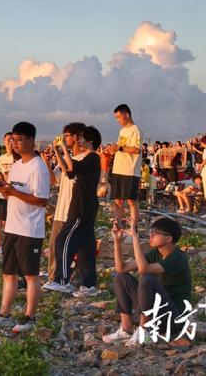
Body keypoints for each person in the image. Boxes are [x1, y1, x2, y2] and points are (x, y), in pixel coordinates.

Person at [0, 121, 50, 333]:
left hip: (30, 229)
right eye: (13, 140)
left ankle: (30, 317)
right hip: (12, 226)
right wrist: (4, 190)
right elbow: (15, 192)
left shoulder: (38, 167)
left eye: (20, 140)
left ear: (31, 140)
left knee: (30, 275)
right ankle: (4, 314)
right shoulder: (17, 165)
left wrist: (13, 193)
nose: (16, 144)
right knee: (8, 273)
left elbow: (42, 200)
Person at [102, 217, 191, 348]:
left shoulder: (178, 258)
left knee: (147, 278)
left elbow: (144, 269)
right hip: (155, 311)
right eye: (151, 231)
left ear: (168, 239)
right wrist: (117, 241)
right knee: (121, 277)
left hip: (173, 319)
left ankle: (144, 331)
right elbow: (121, 268)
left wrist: (135, 239)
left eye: (156, 233)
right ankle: (126, 330)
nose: (151, 235)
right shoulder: (156, 253)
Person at [44, 126, 101, 297]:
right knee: (86, 247)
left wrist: (63, 148)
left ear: (90, 141)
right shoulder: (88, 159)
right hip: (84, 206)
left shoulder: (92, 157)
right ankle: (89, 285)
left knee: (62, 240)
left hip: (82, 206)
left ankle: (62, 280)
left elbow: (73, 166)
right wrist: (57, 150)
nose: (79, 141)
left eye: (82, 138)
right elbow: (68, 170)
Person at [42, 122, 86, 285]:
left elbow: (71, 169)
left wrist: (61, 152)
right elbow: (54, 181)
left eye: (67, 135)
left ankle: (65, 278)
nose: (64, 139)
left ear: (76, 137)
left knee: (70, 247)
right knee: (55, 244)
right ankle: (53, 277)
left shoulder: (84, 159)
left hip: (74, 211)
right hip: (61, 209)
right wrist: (48, 162)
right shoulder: (66, 159)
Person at [110, 104, 142, 229]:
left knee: (131, 201)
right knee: (117, 200)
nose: (118, 120)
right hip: (118, 168)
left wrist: (120, 148)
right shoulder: (122, 131)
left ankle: (134, 228)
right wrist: (114, 149)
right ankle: (120, 226)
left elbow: (137, 149)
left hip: (130, 170)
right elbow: (121, 147)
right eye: (116, 118)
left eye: (119, 117)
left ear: (126, 115)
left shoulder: (136, 130)